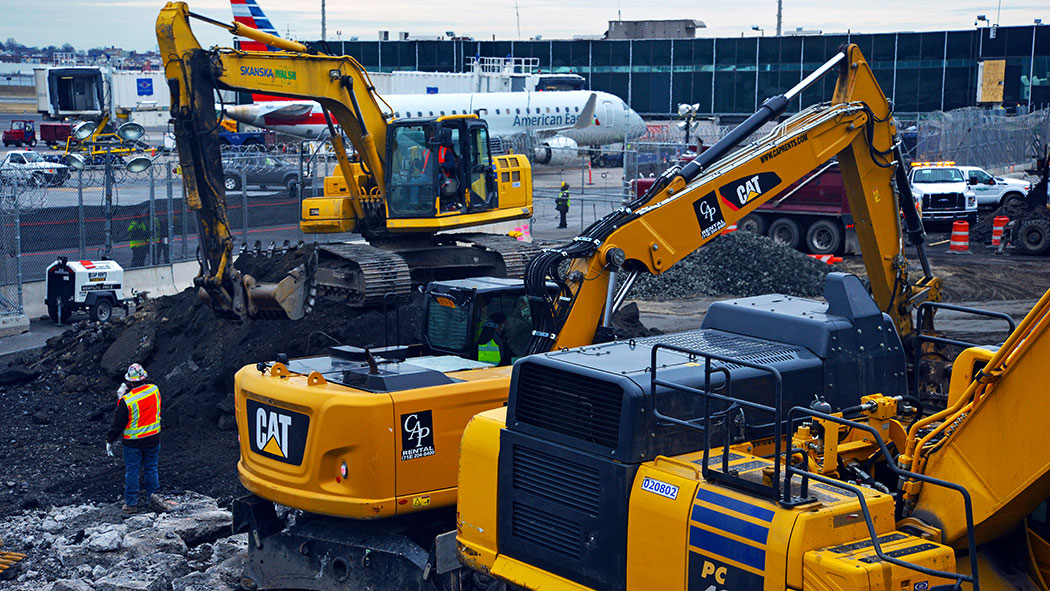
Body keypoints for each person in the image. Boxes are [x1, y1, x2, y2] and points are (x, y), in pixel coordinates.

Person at [107, 363, 171, 515]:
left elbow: (119, 421)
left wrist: (110, 440)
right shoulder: (154, 390)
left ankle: (131, 504)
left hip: (133, 443)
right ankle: (154, 500)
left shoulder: (127, 401)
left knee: (133, 472)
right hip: (153, 438)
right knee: (151, 469)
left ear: (130, 382)